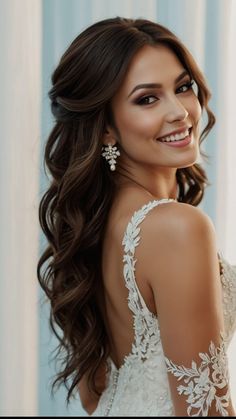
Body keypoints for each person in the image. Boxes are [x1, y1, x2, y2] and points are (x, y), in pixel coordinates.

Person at [37, 17, 236, 416]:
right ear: (107, 128)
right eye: (148, 99)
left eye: (183, 87)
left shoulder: (97, 222)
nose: (180, 111)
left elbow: (97, 392)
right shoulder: (176, 228)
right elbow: (205, 411)